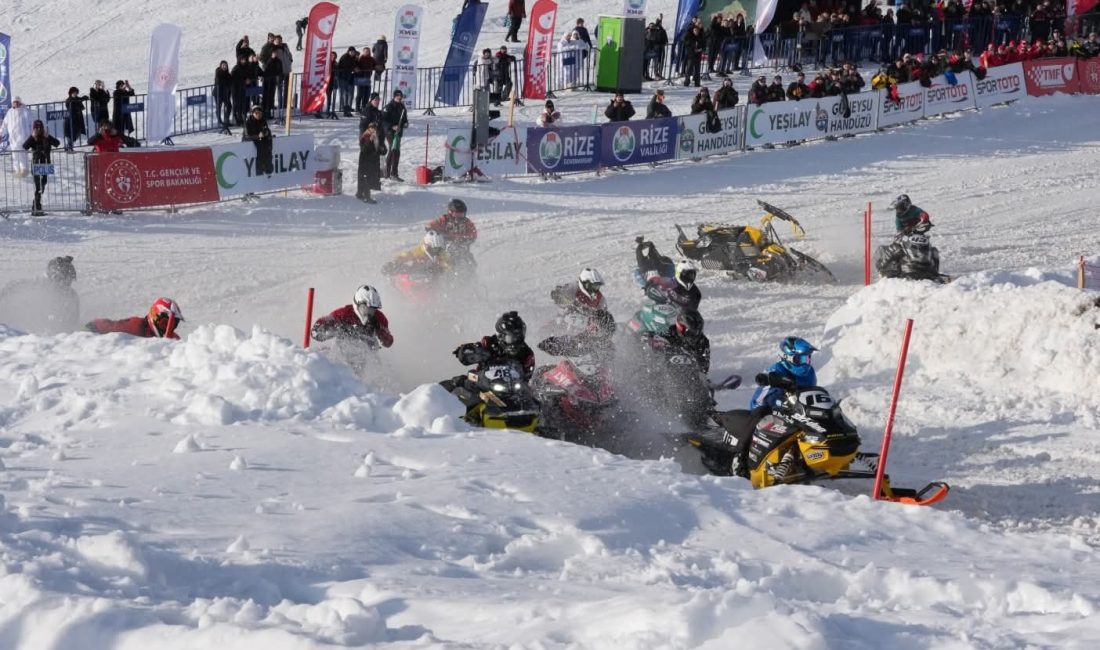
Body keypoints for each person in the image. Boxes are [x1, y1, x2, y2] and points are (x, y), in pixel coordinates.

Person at [441, 311, 536, 396]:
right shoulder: (489, 343)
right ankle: (442, 403)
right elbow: (469, 353)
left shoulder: (526, 353)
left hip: (511, 387)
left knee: (533, 395)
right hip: (481, 381)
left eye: (519, 336)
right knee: (459, 382)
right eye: (511, 337)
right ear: (501, 336)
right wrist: (463, 351)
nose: (516, 341)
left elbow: (526, 376)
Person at [0, 255, 80, 334]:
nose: (67, 284)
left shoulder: (72, 297)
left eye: (69, 280)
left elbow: (71, 323)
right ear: (53, 277)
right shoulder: (37, 286)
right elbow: (12, 287)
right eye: (63, 280)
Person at [310, 285, 394, 349]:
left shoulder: (379, 318)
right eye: (365, 309)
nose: (368, 313)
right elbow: (316, 330)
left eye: (372, 310)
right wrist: (332, 331)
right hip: (343, 354)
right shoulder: (344, 313)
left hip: (368, 356)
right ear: (357, 304)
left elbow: (388, 342)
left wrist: (382, 334)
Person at [749, 336, 818, 410]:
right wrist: (768, 379)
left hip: (797, 413)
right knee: (778, 391)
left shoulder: (810, 373)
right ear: (787, 358)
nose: (805, 364)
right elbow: (756, 403)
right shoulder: (776, 371)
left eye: (807, 359)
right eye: (799, 359)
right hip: (768, 414)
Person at [85, 297, 185, 339]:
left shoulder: (174, 338)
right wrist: (86, 330)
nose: (168, 330)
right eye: (164, 324)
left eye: (173, 326)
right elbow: (106, 326)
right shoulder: (136, 327)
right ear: (155, 317)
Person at [647, 309, 711, 374]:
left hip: (691, 376)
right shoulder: (669, 334)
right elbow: (654, 341)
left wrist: (692, 360)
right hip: (665, 374)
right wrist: (649, 338)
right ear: (681, 328)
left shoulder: (702, 341)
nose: (695, 334)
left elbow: (704, 368)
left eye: (698, 331)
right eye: (691, 332)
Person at [22, 120, 60, 216]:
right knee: (38, 186)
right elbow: (25, 146)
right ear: (34, 129)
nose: (39, 129)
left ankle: (36, 206)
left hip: (46, 164)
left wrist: (48, 137)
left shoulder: (46, 137)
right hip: (36, 164)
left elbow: (57, 143)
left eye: (40, 127)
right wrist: (32, 136)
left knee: (43, 185)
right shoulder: (33, 138)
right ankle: (36, 208)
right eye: (37, 127)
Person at [426, 199, 477, 266]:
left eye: (461, 214)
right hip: (442, 246)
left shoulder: (467, 222)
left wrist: (463, 238)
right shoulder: (444, 219)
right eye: (457, 214)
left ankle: (469, 273)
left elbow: (473, 233)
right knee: (429, 246)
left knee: (470, 262)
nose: (459, 217)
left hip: (461, 248)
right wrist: (431, 228)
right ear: (450, 212)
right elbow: (432, 224)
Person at [382, 231, 451, 277]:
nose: (436, 252)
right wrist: (394, 264)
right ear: (427, 246)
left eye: (439, 249)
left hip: (432, 284)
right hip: (415, 278)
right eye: (434, 249)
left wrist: (441, 270)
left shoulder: (441, 255)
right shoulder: (419, 252)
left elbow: (448, 266)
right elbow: (405, 255)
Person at [1, 96, 33, 176]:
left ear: (20, 102)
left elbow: (32, 123)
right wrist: (1, 134)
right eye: (14, 102)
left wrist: (33, 134)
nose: (15, 103)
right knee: (15, 154)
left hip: (23, 136)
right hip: (13, 138)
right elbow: (4, 124)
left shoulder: (25, 111)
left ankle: (24, 169)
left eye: (16, 102)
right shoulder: (9, 112)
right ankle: (16, 170)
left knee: (22, 153)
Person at [382, 90, 409, 181]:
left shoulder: (402, 107)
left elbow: (404, 119)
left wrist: (405, 124)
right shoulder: (388, 107)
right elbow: (383, 121)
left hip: (398, 133)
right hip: (389, 132)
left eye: (401, 96)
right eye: (398, 96)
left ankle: (393, 173)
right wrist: (392, 126)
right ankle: (388, 173)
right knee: (393, 149)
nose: (400, 97)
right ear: (394, 97)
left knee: (396, 151)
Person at [357, 122, 383, 203]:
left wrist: (382, 149)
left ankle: (360, 193)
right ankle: (366, 196)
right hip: (365, 161)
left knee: (368, 178)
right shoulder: (365, 136)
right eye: (372, 128)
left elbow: (380, 149)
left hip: (373, 161)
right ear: (369, 128)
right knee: (366, 179)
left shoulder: (377, 137)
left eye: (375, 129)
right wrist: (369, 141)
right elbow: (364, 149)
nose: (373, 131)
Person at [243, 106, 274, 176]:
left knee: (267, 146)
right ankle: (260, 169)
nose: (258, 115)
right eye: (256, 113)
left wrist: (266, 133)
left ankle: (267, 167)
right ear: (252, 114)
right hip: (250, 142)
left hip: (261, 143)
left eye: (260, 113)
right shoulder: (248, 123)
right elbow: (246, 136)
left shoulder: (263, 120)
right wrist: (258, 136)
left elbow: (266, 130)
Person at [63, 86, 89, 151]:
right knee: (71, 133)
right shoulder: (68, 100)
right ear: (70, 93)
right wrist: (79, 100)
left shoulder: (77, 98)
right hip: (71, 119)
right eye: (73, 92)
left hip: (78, 118)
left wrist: (84, 97)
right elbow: (69, 103)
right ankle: (69, 147)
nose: (75, 94)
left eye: (76, 92)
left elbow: (81, 99)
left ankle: (67, 146)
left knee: (77, 132)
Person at [214, 62, 233, 127]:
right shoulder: (218, 72)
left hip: (225, 93)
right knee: (219, 107)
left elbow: (231, 81)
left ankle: (226, 120)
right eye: (223, 65)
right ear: (220, 66)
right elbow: (218, 81)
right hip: (218, 93)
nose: (224, 67)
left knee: (229, 106)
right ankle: (220, 121)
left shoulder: (228, 74)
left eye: (226, 65)